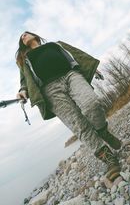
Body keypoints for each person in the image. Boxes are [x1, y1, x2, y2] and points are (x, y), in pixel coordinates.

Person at [16, 31, 122, 182]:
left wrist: (92, 68)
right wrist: (22, 91)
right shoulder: (25, 60)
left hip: (71, 75)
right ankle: (109, 159)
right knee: (78, 124)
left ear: (35, 35)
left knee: (91, 104)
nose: (23, 36)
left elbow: (76, 55)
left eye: (25, 34)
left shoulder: (54, 44)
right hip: (50, 90)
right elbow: (24, 80)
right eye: (21, 38)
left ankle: (103, 131)